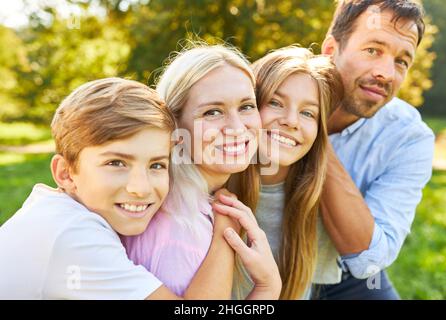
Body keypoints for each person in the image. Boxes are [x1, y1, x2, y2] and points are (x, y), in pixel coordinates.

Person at [0, 77, 279, 299]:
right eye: (116, 163)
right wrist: (265, 287)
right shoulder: (71, 235)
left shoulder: (58, 212)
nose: (140, 188)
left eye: (156, 165)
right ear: (66, 173)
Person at [121, 44, 282, 300]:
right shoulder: (177, 227)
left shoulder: (202, 204)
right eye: (213, 112)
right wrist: (268, 288)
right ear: (173, 127)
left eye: (246, 107)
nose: (237, 127)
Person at [312, 0, 435, 299]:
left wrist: (313, 136)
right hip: (264, 262)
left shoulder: (409, 137)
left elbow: (369, 258)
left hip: (348, 275)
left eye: (401, 61)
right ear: (331, 50)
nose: (387, 73)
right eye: (373, 50)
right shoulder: (269, 97)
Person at [227, 46, 343, 299]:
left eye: (307, 113)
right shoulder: (212, 187)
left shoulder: (313, 202)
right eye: (276, 103)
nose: (291, 121)